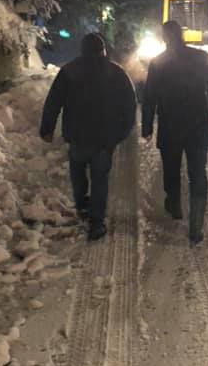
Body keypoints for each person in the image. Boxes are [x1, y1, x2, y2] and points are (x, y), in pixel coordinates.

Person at [40, 32, 136, 241]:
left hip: (77, 136)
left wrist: (47, 128)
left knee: (78, 173)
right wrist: (122, 132)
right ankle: (97, 222)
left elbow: (53, 101)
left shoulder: (69, 71)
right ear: (103, 50)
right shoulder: (116, 72)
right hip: (104, 138)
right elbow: (130, 104)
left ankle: (82, 205)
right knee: (100, 178)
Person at [141, 20, 208, 245]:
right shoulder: (200, 57)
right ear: (182, 35)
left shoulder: (157, 63)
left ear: (164, 37)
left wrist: (147, 126)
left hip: (170, 125)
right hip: (197, 124)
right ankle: (196, 224)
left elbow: (149, 97)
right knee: (198, 173)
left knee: (171, 168)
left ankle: (175, 204)